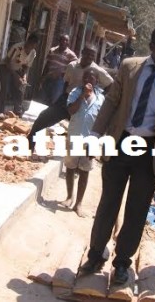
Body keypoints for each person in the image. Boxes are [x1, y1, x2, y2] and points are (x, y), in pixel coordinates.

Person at [78, 25, 155, 285]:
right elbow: (112, 102)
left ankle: (122, 263)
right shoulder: (129, 67)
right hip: (121, 143)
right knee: (108, 203)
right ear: (151, 46)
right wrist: (95, 135)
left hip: (151, 151)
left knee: (137, 210)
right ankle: (96, 255)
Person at [27, 44, 113, 149]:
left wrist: (98, 97)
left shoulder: (97, 71)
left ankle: (81, 156)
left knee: (84, 131)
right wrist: (63, 97)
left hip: (84, 103)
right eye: (88, 54)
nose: (90, 57)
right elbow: (66, 82)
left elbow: (110, 85)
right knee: (43, 117)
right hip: (68, 99)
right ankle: (30, 144)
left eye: (92, 56)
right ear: (82, 53)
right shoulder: (72, 66)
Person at [61, 68, 105, 217]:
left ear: (96, 81)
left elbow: (103, 121)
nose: (88, 80)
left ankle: (78, 203)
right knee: (70, 167)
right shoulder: (75, 92)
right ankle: (69, 197)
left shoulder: (101, 98)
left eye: (91, 78)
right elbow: (71, 111)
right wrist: (82, 95)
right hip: (74, 136)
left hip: (91, 139)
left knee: (85, 171)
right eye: (85, 77)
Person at [0, 32, 39, 116]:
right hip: (5, 67)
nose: (30, 47)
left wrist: (24, 76)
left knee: (19, 89)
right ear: (27, 41)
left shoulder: (33, 53)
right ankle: (0, 112)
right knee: (5, 89)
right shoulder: (17, 47)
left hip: (17, 69)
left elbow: (27, 67)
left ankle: (17, 111)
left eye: (33, 45)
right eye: (30, 44)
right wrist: (16, 76)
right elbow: (7, 62)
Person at [37, 34, 77, 105]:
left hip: (60, 81)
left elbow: (73, 69)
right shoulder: (52, 50)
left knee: (54, 100)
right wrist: (42, 77)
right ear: (59, 41)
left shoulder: (71, 55)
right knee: (42, 99)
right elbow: (47, 65)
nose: (63, 42)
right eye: (62, 39)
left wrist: (64, 76)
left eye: (66, 40)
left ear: (68, 43)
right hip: (48, 78)